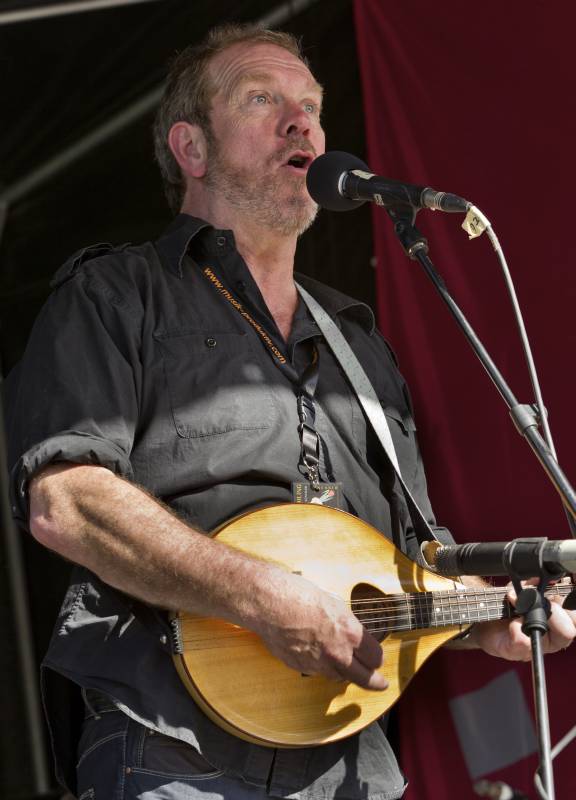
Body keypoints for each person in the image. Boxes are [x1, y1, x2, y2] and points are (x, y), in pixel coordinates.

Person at [7, 23, 575, 800]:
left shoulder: (359, 347)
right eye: (261, 99)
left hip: (349, 765)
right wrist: (260, 596)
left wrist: (483, 618)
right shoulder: (115, 296)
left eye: (312, 106)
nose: (300, 122)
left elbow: (412, 561)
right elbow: (67, 501)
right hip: (174, 750)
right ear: (191, 147)